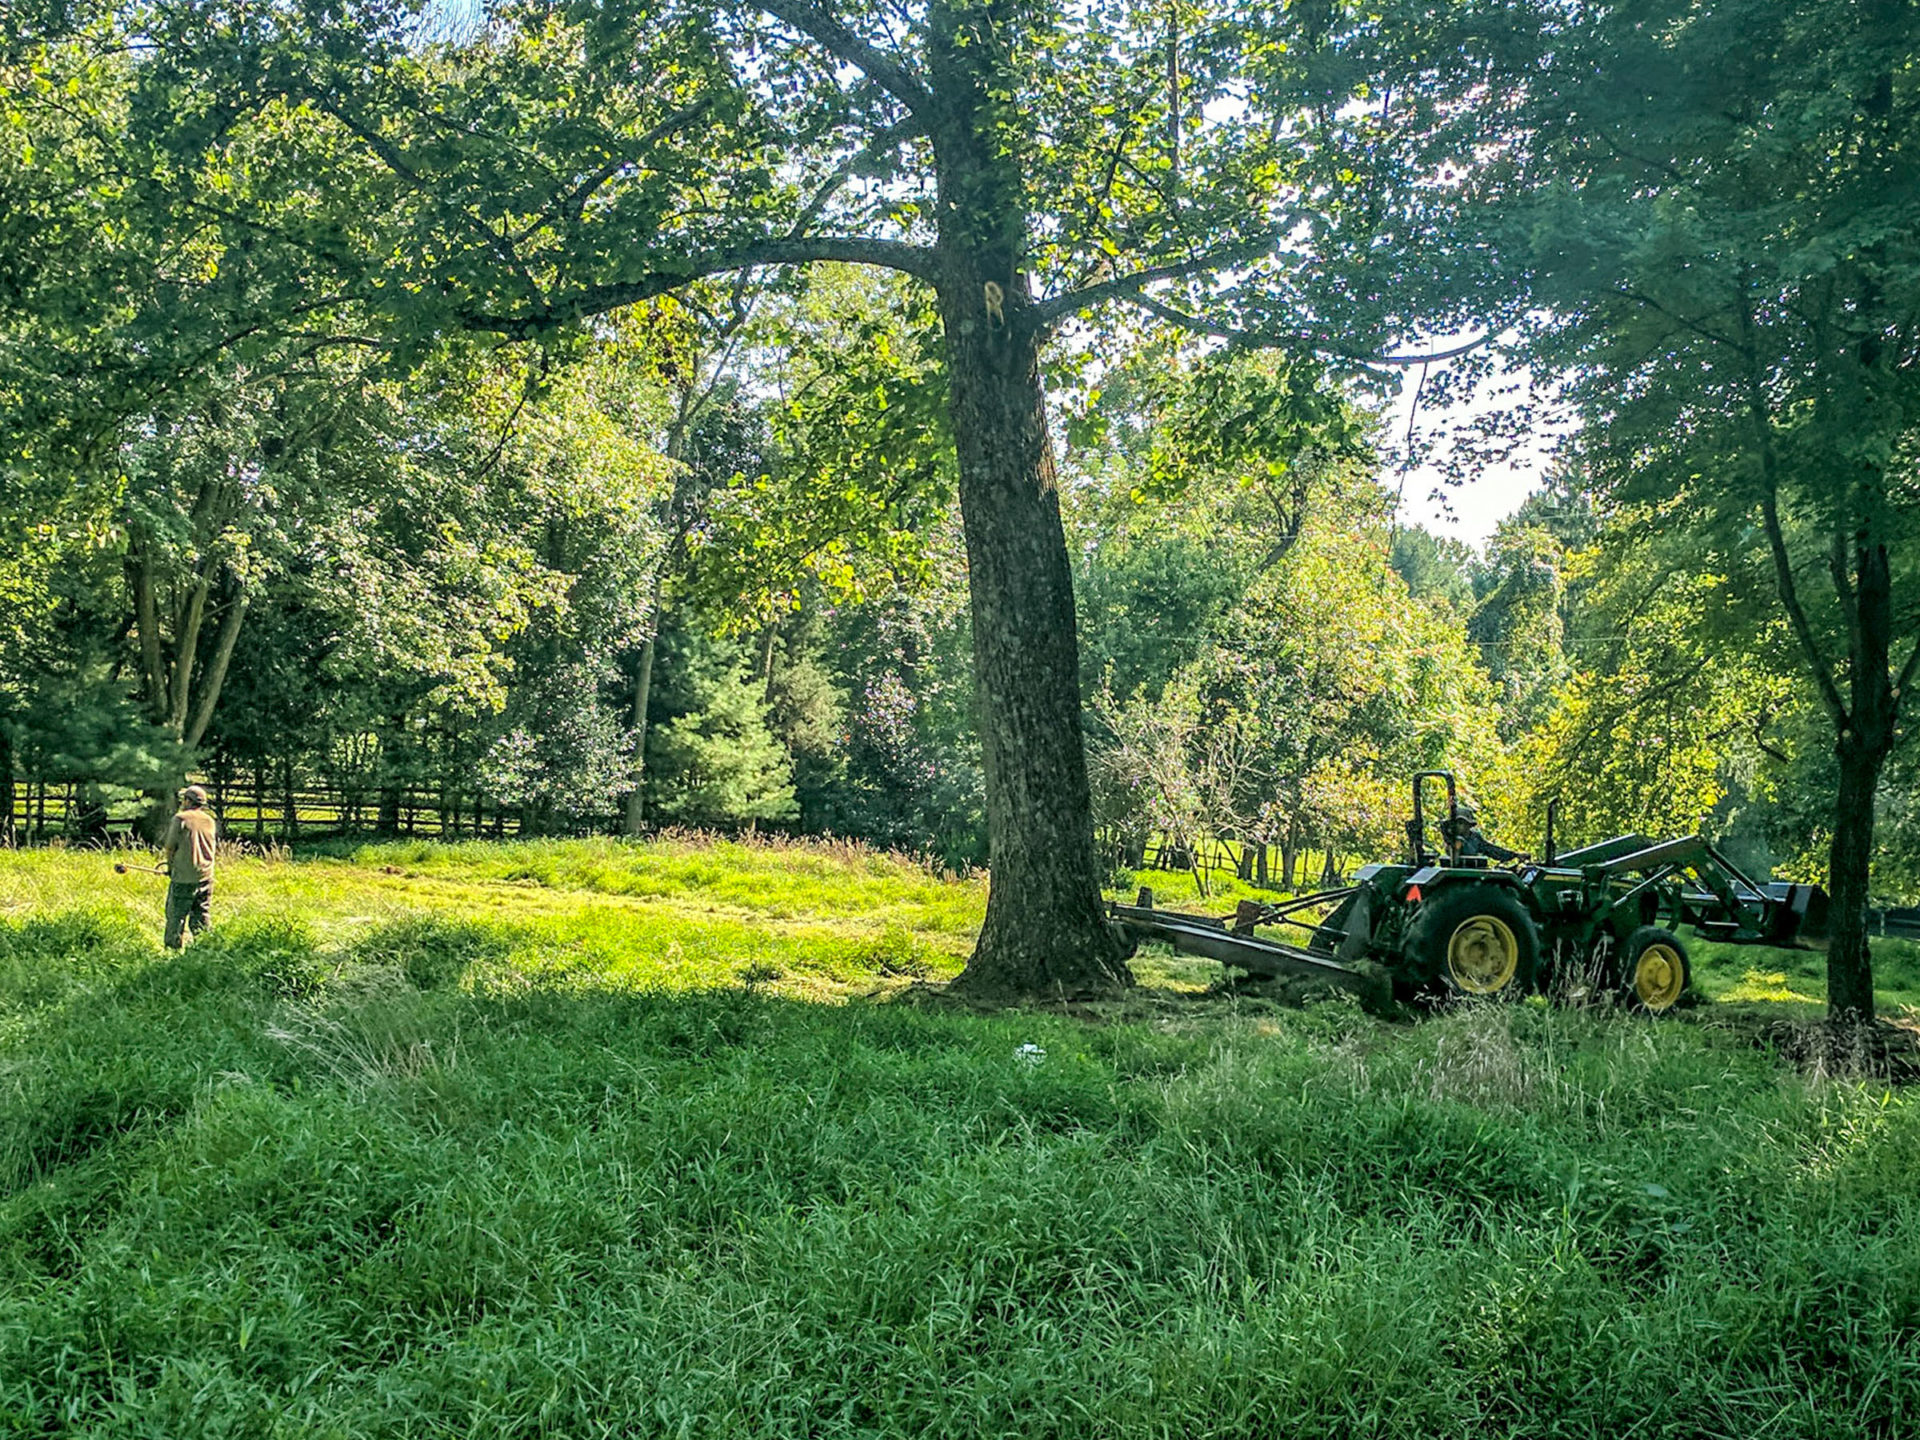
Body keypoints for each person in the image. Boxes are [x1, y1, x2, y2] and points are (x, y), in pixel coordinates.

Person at [161, 784, 218, 949]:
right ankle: (205, 947)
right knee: (202, 915)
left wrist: (170, 868)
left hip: (183, 878)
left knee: (176, 916)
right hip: (206, 876)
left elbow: (170, 847)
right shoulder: (209, 820)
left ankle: (172, 951)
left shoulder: (181, 819)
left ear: (187, 801)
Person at [1441, 798, 1523, 864]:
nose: (1459, 826)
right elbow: (1452, 844)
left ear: (1469, 825)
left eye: (1462, 823)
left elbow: (1491, 850)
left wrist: (1515, 855)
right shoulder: (1454, 839)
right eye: (1457, 823)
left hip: (1474, 871)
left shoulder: (1475, 838)